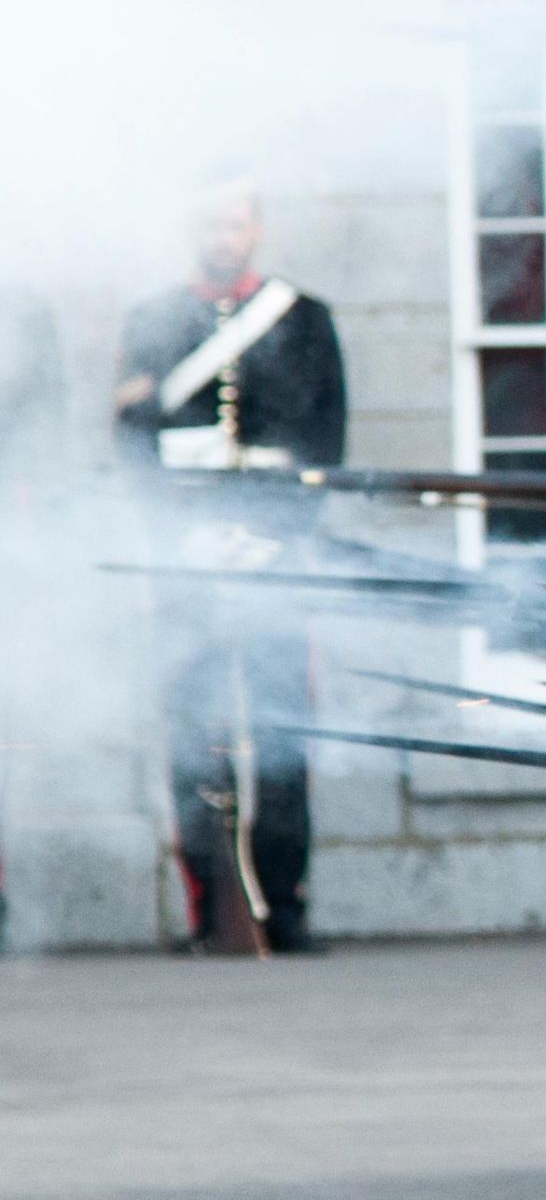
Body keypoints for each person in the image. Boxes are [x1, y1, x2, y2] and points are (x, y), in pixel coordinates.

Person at [115, 175, 346, 956]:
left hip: (275, 549)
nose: (224, 235)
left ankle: (286, 903)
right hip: (186, 552)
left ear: (256, 229)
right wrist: (174, 537)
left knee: (283, 729)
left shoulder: (305, 320)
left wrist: (280, 534)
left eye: (236, 222)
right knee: (193, 731)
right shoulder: (152, 322)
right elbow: (132, 444)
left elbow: (325, 443)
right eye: (212, 222)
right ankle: (211, 903)